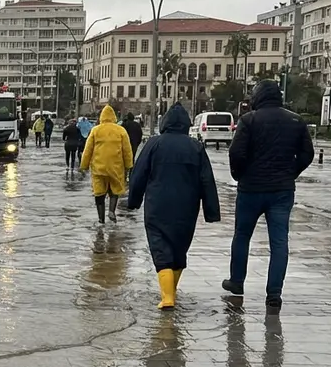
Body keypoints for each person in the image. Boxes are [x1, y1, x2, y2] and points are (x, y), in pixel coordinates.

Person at [223, 80, 315, 310]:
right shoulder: (296, 121)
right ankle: (274, 292)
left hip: (251, 189)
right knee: (279, 241)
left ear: (259, 97)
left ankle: (237, 281)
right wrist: (291, 172)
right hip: (282, 191)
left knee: (242, 236)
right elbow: (307, 153)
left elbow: (236, 153)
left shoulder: (249, 120)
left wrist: (239, 175)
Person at [128, 103, 221, 310]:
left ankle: (167, 296)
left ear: (165, 123)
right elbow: (207, 180)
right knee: (179, 249)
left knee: (160, 248)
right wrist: (211, 211)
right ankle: (171, 292)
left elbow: (138, 175)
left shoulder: (154, 144)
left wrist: (133, 201)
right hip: (187, 208)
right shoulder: (195, 147)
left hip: (157, 205)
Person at [81, 105, 134, 224]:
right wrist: (128, 165)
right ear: (114, 117)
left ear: (101, 117)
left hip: (99, 167)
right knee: (114, 190)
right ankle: (111, 211)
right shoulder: (121, 130)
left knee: (99, 192)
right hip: (115, 166)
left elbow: (88, 149)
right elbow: (127, 150)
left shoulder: (96, 130)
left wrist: (84, 165)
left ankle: (101, 219)